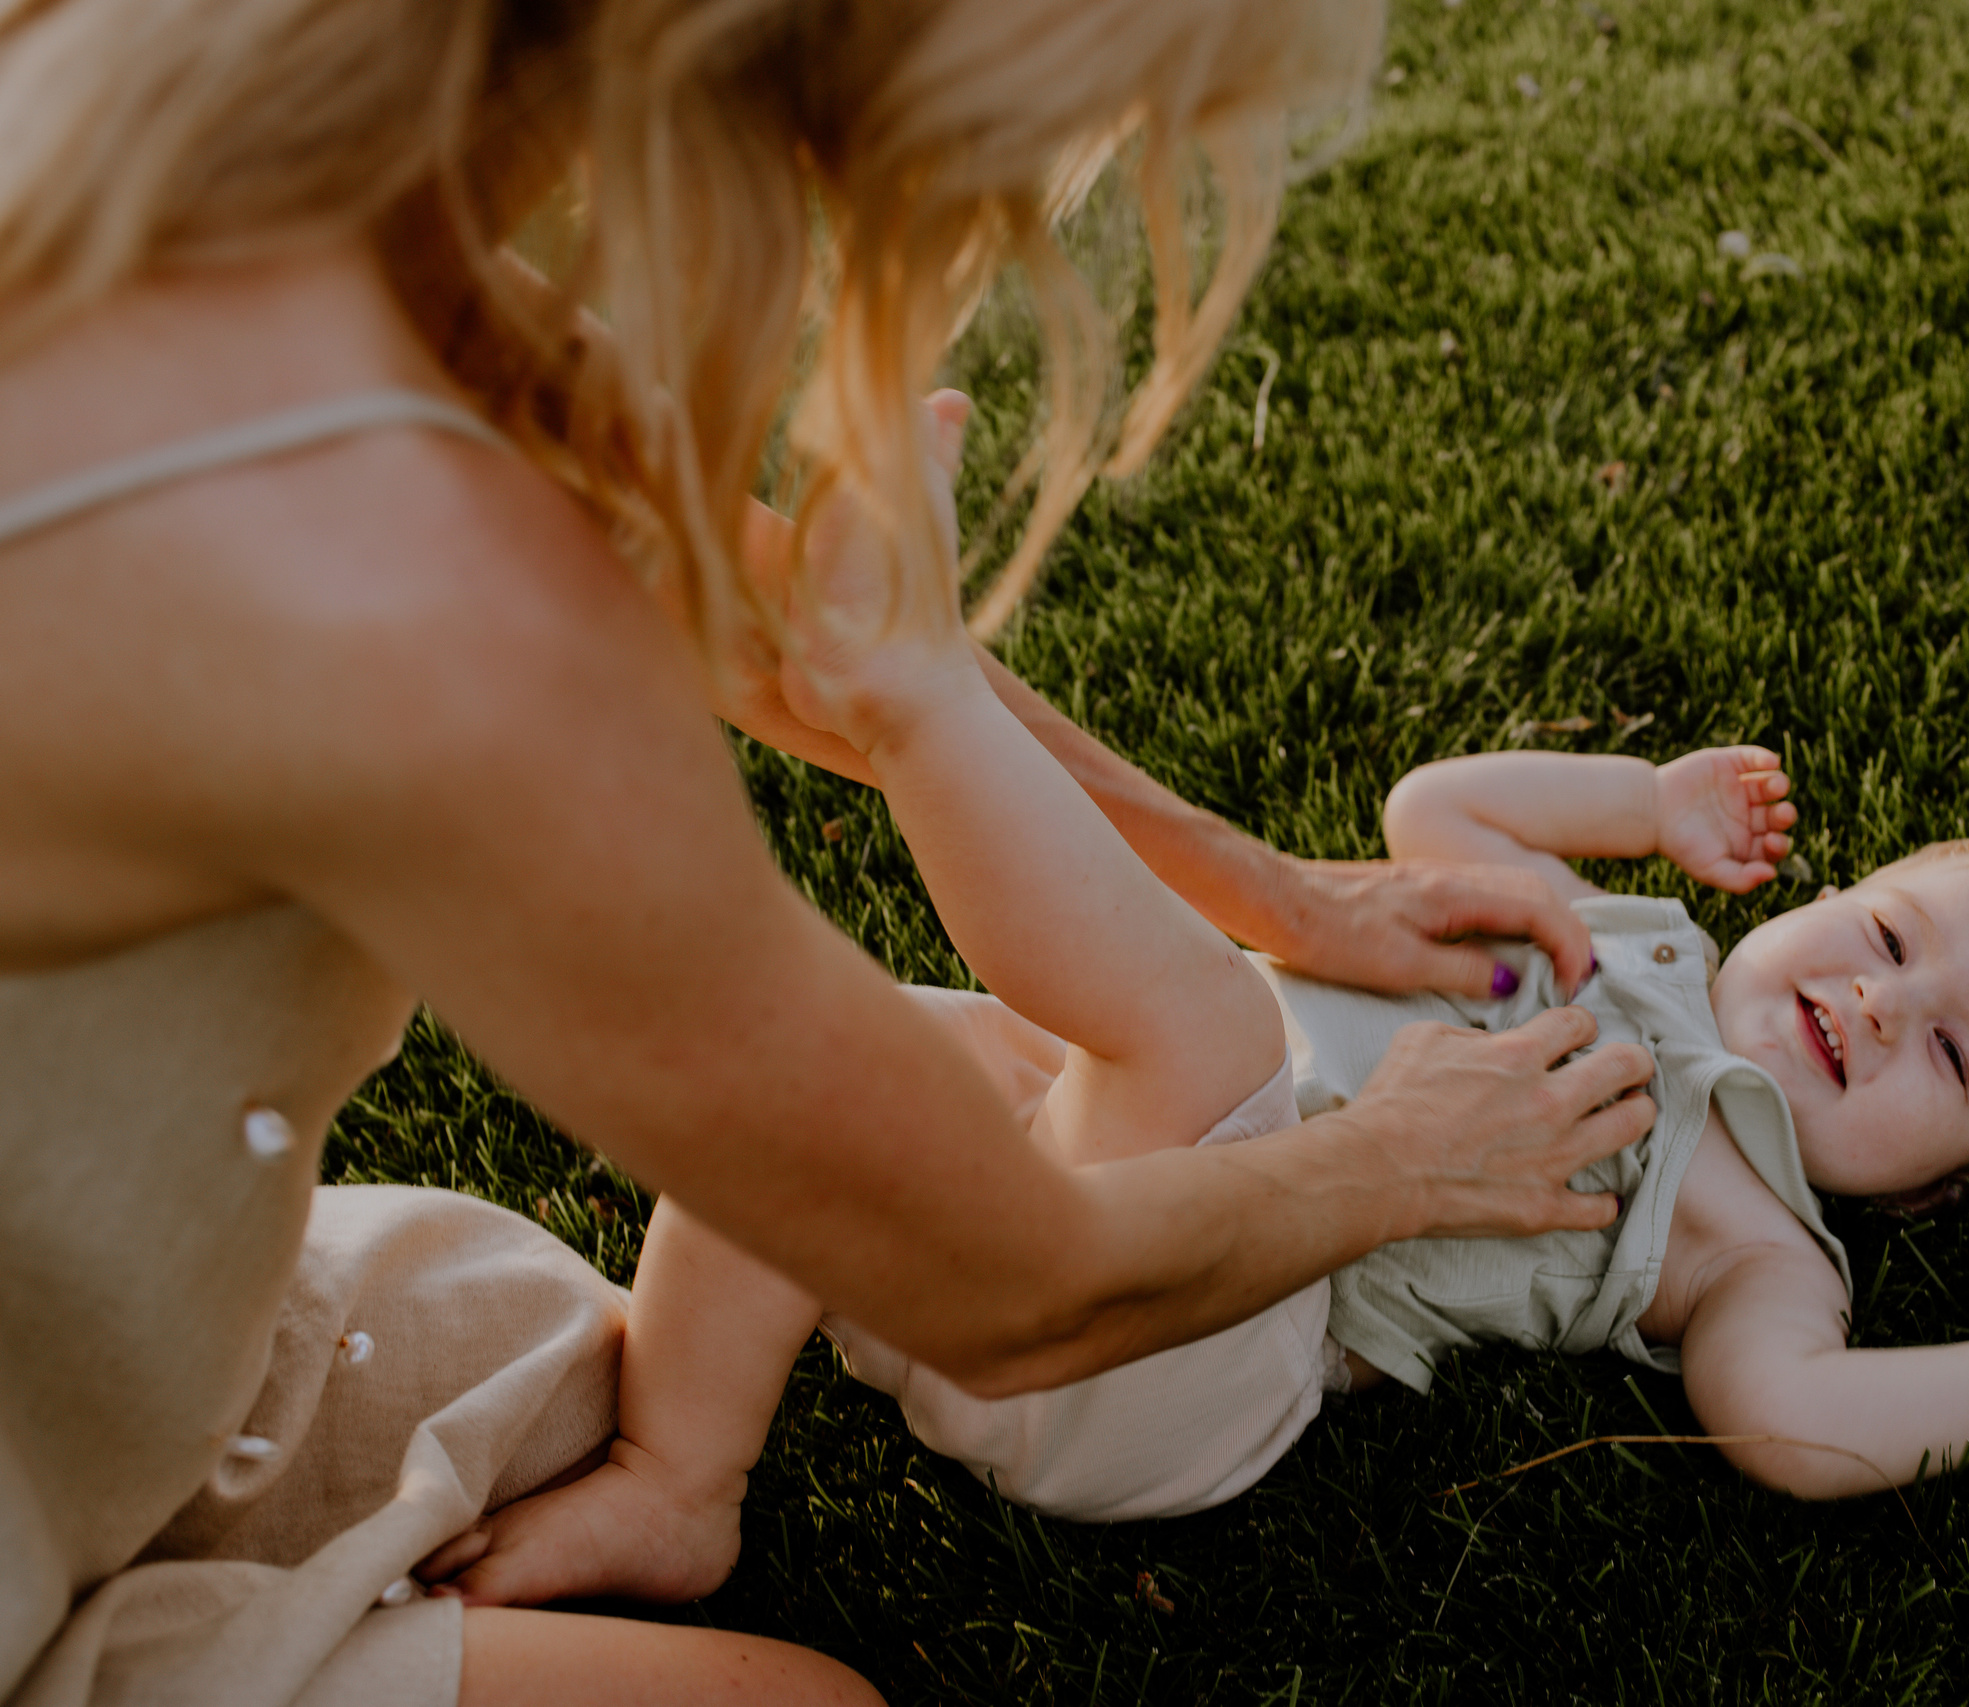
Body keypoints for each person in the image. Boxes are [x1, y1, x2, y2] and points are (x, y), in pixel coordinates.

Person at [0, 3, 1671, 1704]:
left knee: (555, 1352)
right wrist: (1395, 1162)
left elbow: (799, 638)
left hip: (60, 1323)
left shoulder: (185, 151)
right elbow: (1023, 1287)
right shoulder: (410, 600)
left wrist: (1278, 896)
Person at [417, 601, 1969, 1596]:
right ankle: (681, 1464)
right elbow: (1436, 817)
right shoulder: (1620, 940)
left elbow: (1795, 1428)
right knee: (857, 1047)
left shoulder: (1765, 1246)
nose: (1880, 1007)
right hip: (1055, 1183)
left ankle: (923, 707)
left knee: (1216, 1047)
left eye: (1952, 1059)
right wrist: (1636, 802)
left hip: (1180, 1361)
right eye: (1885, 930)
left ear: (1933, 1196)